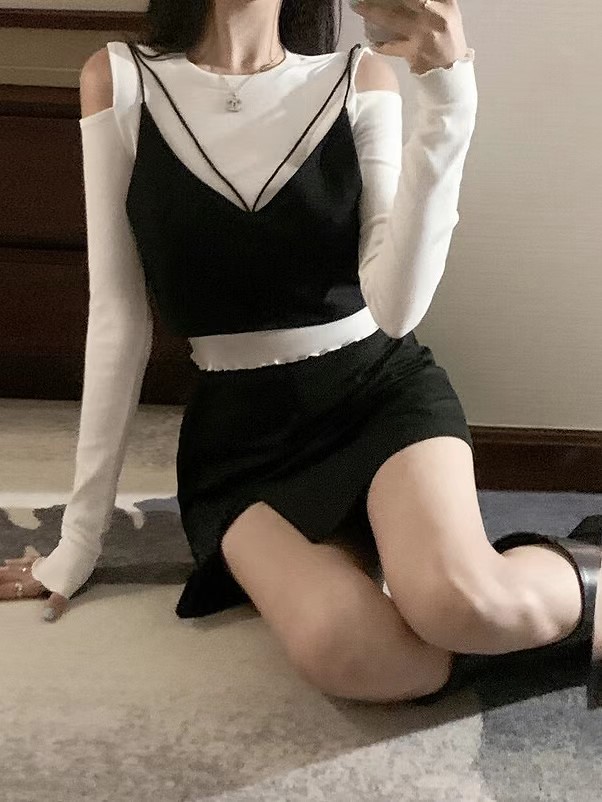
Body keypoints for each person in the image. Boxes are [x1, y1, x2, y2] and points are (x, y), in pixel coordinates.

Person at [2, 0, 600, 709]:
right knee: (359, 655)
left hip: (378, 396)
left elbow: (396, 309)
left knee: (466, 602)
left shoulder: (359, 78)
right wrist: (79, 542)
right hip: (241, 445)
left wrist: (448, 100)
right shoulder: (119, 79)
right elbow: (118, 319)